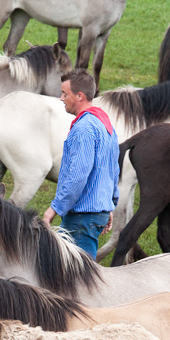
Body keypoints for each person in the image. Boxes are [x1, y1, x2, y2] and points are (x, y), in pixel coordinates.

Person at [42, 69, 120, 259]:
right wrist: (108, 204)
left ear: (79, 96)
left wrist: (54, 209)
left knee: (79, 283)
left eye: (64, 94)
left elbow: (77, 177)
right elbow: (113, 170)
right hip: (94, 214)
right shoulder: (105, 124)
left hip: (82, 217)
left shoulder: (84, 129)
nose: (61, 98)